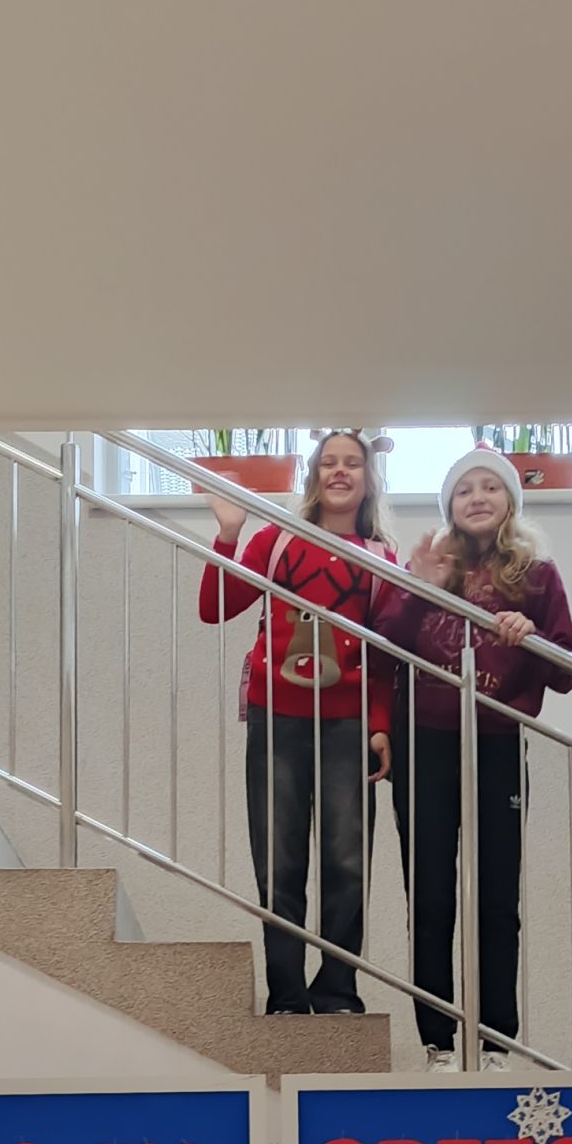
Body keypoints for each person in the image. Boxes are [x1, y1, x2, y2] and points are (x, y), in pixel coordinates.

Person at [384, 444, 572, 1066]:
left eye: (490, 487)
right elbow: (383, 647)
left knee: (497, 900)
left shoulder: (537, 574)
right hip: (424, 743)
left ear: (510, 502)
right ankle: (438, 1044)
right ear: (450, 505)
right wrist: (420, 588)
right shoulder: (429, 562)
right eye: (465, 489)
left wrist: (535, 636)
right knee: (430, 897)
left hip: (496, 744)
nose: (478, 497)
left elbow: (568, 671)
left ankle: (496, 1042)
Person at [198, 431, 396, 1015]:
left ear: (368, 478)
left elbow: (386, 655)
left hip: (348, 725)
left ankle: (337, 990)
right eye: (328, 462)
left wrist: (380, 723)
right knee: (279, 860)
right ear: (313, 474)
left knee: (346, 862)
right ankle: (285, 994)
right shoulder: (277, 539)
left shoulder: (382, 558)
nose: (340, 471)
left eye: (352, 463)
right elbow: (215, 607)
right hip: (277, 719)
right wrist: (229, 534)